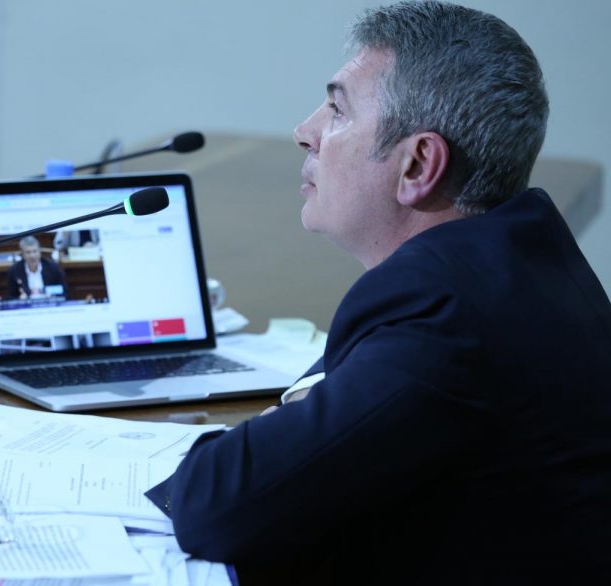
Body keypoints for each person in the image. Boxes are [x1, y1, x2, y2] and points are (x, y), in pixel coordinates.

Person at [145, 1, 611, 583]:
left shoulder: (442, 314)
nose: (305, 132)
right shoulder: (521, 254)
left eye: (337, 110)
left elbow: (215, 504)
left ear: (418, 165)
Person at [6, 235, 66, 300]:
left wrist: (53, 296)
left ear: (39, 252)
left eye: (35, 251)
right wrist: (19, 299)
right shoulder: (14, 270)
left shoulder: (53, 268)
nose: (32, 256)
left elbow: (64, 292)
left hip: (49, 303)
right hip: (27, 304)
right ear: (22, 254)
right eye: (28, 252)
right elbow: (10, 297)